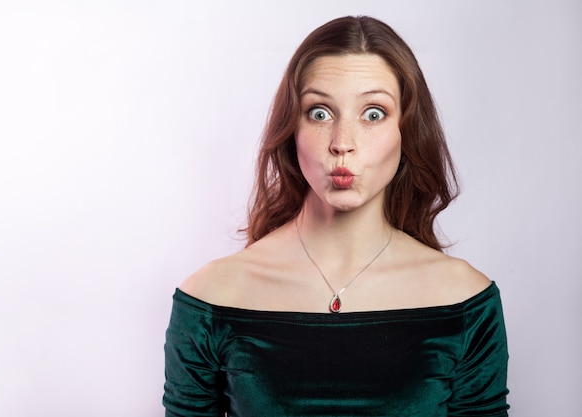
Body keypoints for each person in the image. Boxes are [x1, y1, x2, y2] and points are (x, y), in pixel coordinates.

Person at [163, 15, 509, 416]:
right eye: (320, 113)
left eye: (373, 113)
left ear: (407, 131)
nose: (343, 143)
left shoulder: (465, 301)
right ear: (290, 129)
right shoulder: (211, 299)